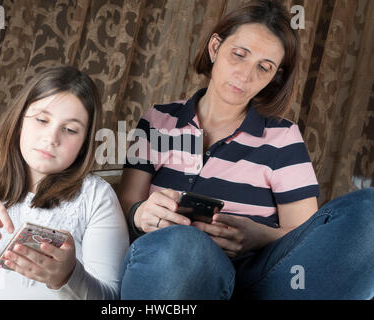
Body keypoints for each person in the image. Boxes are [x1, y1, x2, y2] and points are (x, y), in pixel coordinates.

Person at [118, 0, 374, 300]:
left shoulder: (283, 137)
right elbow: (127, 200)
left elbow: (307, 241)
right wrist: (140, 214)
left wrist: (258, 236)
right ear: (215, 48)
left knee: (368, 210)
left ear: (274, 76)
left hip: (259, 281)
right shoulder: (158, 120)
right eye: (239, 55)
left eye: (264, 68)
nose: (245, 74)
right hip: (175, 267)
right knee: (183, 245)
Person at [0, 66, 129, 299]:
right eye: (42, 120)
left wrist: (69, 276)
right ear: (20, 121)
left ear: (84, 143)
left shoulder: (96, 196)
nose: (51, 138)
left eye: (70, 130)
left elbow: (112, 299)